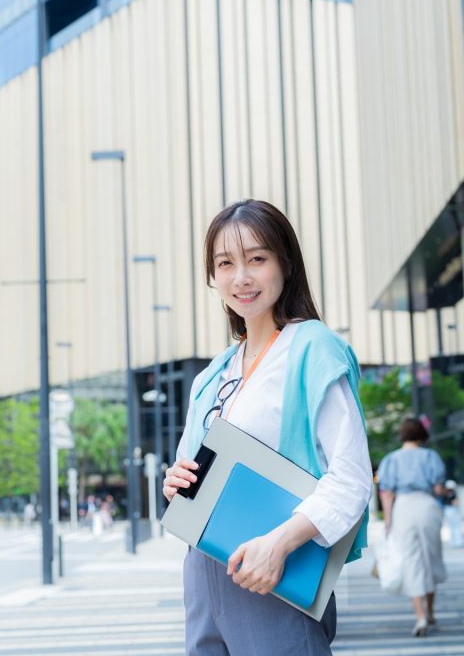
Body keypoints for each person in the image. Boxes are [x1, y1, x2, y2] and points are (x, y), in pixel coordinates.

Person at [162, 199, 372, 655]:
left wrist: (279, 544)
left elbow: (352, 479)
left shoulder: (313, 349)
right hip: (203, 571)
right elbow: (192, 473)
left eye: (257, 259)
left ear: (285, 263)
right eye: (226, 263)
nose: (242, 277)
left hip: (275, 570)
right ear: (212, 278)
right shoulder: (211, 375)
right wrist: (176, 482)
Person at [377, 418, 447, 637]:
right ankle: (431, 611)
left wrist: (388, 520)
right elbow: (438, 488)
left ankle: (420, 618)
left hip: (403, 508)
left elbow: (387, 493)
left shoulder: (390, 460)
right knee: (430, 559)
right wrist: (447, 493)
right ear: (421, 434)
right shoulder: (430, 457)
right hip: (427, 506)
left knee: (412, 561)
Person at [442, 479, 464, 548]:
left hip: (450, 510)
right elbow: (455, 503)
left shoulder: (447, 494)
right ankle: (457, 541)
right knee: (455, 527)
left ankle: (456, 541)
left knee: (454, 527)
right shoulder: (451, 494)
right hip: (452, 510)